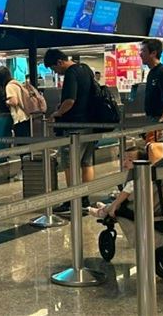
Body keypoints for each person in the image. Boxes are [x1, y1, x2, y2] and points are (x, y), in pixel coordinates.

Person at [42, 49, 94, 210]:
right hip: (90, 123)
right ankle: (85, 198)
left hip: (74, 126)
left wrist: (57, 113)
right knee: (86, 162)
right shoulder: (85, 68)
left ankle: (72, 199)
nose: (56, 72)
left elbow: (70, 100)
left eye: (54, 68)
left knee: (69, 163)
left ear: (59, 62)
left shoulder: (71, 73)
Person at [0, 67, 30, 137]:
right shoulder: (16, 83)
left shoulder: (9, 86)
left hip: (19, 118)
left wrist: (7, 102)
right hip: (25, 116)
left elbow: (14, 101)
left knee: (21, 140)